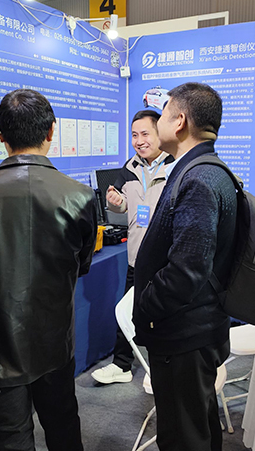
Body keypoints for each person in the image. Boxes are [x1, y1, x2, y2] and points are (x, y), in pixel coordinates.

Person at [0, 89, 97, 451]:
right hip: (55, 341)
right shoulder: (80, 195)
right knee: (64, 426)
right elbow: (81, 266)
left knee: (10, 437)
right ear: (51, 131)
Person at [133, 82, 237, 451]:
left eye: (162, 114)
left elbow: (186, 271)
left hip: (183, 337)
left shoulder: (198, 179)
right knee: (197, 427)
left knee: (182, 437)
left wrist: (146, 305)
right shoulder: (201, 170)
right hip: (194, 330)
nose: (157, 122)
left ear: (179, 121)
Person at [91, 110, 173, 384]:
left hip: (166, 260)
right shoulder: (130, 167)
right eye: (134, 135)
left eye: (145, 134)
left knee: (166, 318)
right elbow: (126, 205)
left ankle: (162, 370)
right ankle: (122, 365)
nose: (139, 141)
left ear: (159, 133)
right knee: (128, 313)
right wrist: (116, 203)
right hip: (136, 257)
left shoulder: (176, 165)